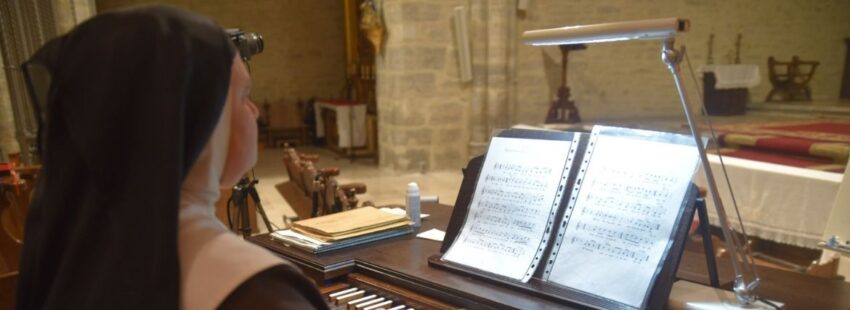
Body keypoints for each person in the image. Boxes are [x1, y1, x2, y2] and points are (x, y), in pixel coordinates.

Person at [16, 5, 327, 309]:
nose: (255, 113)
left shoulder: (66, 255)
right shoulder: (257, 294)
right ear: (198, 120)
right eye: (244, 96)